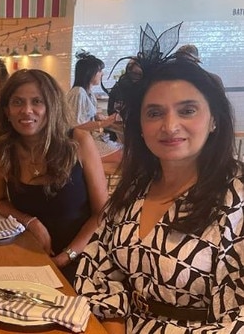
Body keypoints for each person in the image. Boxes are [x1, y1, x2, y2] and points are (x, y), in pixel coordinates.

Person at [75, 58, 244, 333]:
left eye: (187, 110)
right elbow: (98, 269)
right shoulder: (134, 190)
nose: (170, 126)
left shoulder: (236, 199)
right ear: (140, 126)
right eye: (154, 113)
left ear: (214, 119)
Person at [0, 69, 107, 283]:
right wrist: (31, 222)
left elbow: (101, 213)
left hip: (83, 255)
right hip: (30, 252)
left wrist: (66, 256)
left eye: (37, 102)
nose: (27, 110)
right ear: (6, 110)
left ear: (51, 107)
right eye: (17, 102)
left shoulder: (79, 142)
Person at [68, 51, 122, 161]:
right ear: (90, 73)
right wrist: (102, 123)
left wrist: (100, 117)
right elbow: (74, 126)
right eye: (100, 71)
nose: (102, 74)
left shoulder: (89, 93)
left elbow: (86, 116)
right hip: (78, 144)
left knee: (125, 150)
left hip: (89, 139)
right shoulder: (78, 93)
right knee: (123, 156)